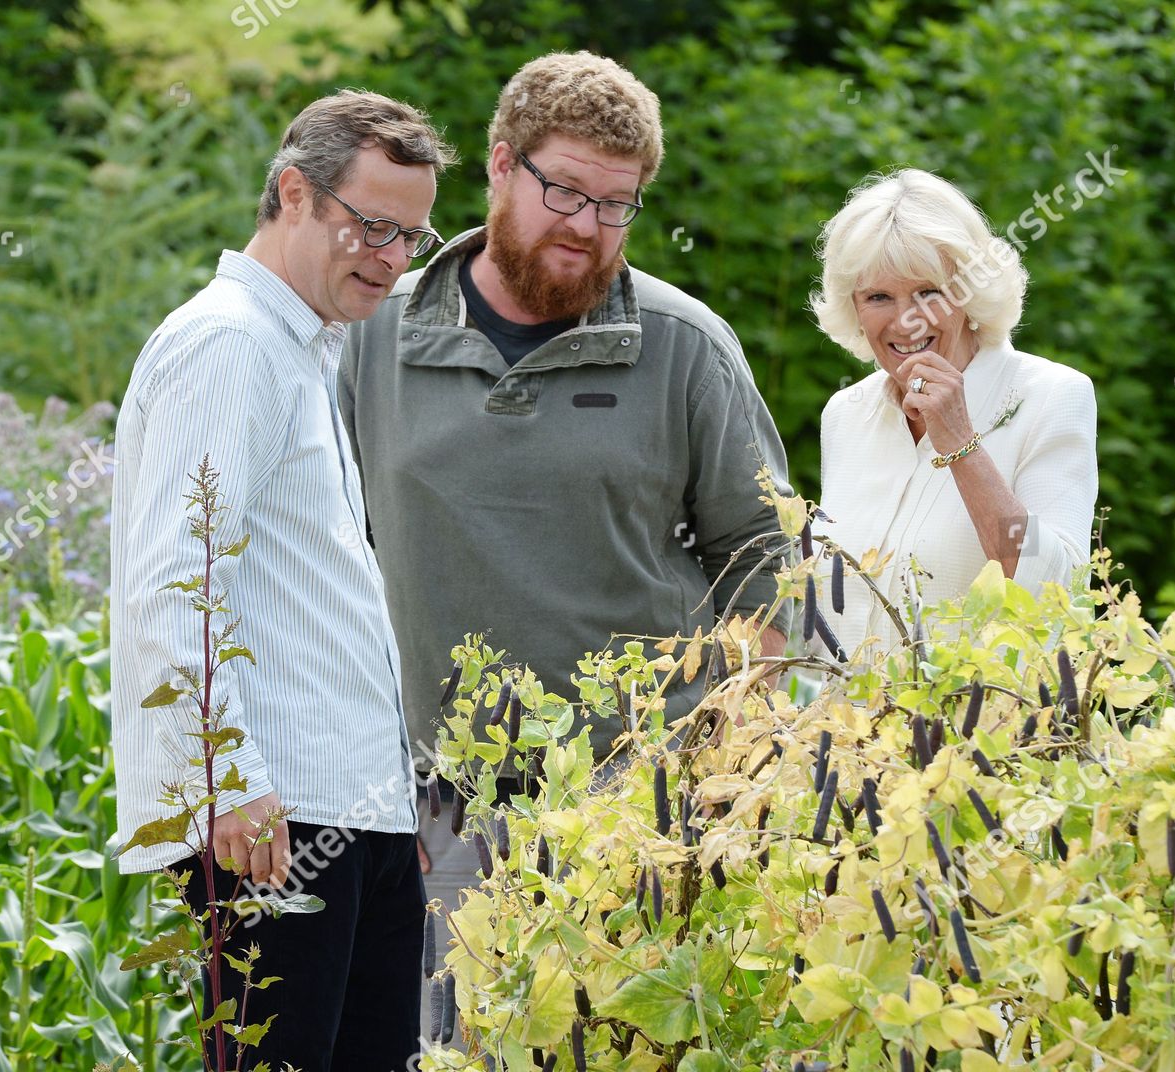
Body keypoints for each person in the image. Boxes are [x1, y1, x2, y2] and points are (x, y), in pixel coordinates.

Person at [338, 51, 791, 902]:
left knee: (631, 1036)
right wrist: (372, 778)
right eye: (567, 193)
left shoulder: (683, 347)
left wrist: (734, 767)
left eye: (617, 204)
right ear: (502, 166)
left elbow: (765, 555)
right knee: (446, 1036)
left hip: (647, 799)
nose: (588, 225)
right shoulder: (376, 334)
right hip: (439, 805)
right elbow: (331, 558)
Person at [111, 89, 453, 1072]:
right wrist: (226, 779)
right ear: (293, 194)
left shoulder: (304, 350)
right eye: (372, 226)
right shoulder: (229, 343)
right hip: (271, 817)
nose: (391, 258)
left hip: (352, 805)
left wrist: (400, 798)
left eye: (411, 238)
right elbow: (174, 576)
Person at [809, 168, 1097, 657]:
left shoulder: (1052, 396)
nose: (906, 320)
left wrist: (962, 445)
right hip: (845, 728)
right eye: (879, 297)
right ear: (853, 308)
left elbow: (1057, 598)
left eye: (929, 292)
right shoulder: (845, 413)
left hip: (981, 726)